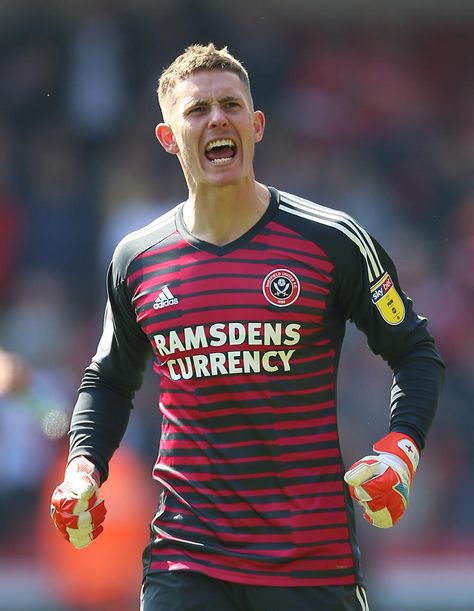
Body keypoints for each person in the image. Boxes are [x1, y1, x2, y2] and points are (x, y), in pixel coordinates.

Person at [50, 43, 445, 611]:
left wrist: (401, 446)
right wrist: (83, 468)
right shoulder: (137, 259)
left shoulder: (332, 240)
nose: (217, 119)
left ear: (256, 126)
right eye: (197, 110)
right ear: (168, 138)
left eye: (231, 105)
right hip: (185, 560)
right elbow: (109, 380)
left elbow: (415, 350)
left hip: (309, 562)